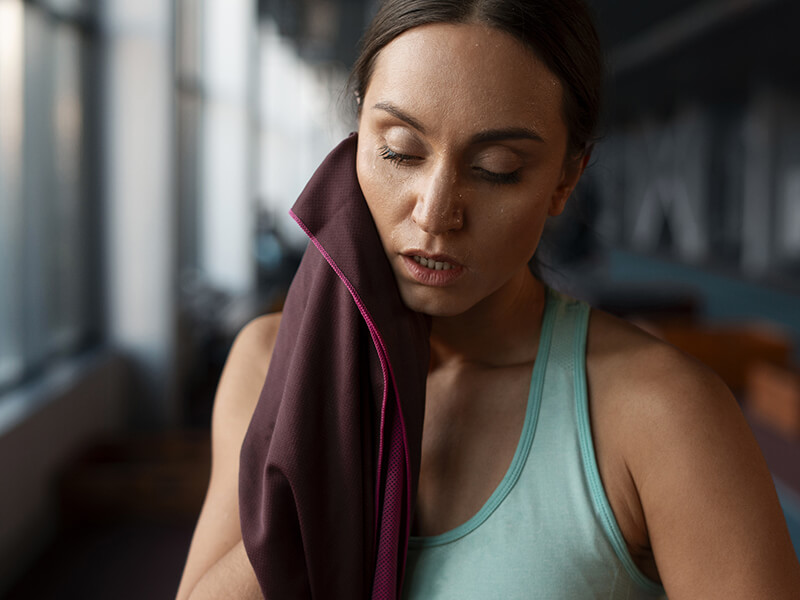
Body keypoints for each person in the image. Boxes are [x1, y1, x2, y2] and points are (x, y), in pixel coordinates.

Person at [177, 0, 800, 598]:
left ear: (565, 179)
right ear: (357, 135)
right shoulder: (266, 363)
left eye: (497, 168)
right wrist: (324, 422)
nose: (435, 211)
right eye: (400, 150)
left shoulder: (661, 415)